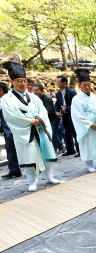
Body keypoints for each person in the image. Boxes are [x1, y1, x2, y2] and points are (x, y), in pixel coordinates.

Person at [1, 62, 59, 192]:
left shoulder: (33, 97)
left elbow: (43, 111)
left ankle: (49, 176)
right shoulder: (7, 100)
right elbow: (12, 116)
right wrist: (30, 121)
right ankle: (31, 181)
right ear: (11, 81)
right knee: (29, 156)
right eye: (19, 81)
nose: (23, 84)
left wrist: (39, 119)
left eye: (24, 80)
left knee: (47, 152)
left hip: (40, 129)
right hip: (26, 131)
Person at [71, 69, 96, 173]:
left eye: (89, 84)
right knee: (88, 145)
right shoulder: (76, 99)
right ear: (79, 86)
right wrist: (89, 124)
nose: (87, 87)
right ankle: (89, 164)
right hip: (87, 127)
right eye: (84, 85)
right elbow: (77, 115)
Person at [0, 81, 21, 179]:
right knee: (10, 150)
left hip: (14, 128)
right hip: (7, 130)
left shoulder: (9, 99)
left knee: (22, 149)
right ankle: (14, 170)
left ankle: (33, 167)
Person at [32, 83, 61, 153]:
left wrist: (39, 118)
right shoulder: (33, 99)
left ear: (42, 91)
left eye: (37, 90)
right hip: (43, 119)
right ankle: (60, 147)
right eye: (33, 90)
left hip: (53, 119)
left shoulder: (47, 98)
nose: (35, 92)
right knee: (50, 134)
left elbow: (48, 111)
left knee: (52, 133)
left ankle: (54, 150)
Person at [55, 75, 79, 157]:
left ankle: (79, 150)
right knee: (67, 133)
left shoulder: (72, 92)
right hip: (64, 116)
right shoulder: (58, 93)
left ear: (64, 83)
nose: (57, 83)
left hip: (72, 115)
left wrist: (67, 109)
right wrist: (56, 112)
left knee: (75, 133)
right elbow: (57, 104)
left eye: (58, 82)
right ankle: (70, 149)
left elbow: (76, 104)